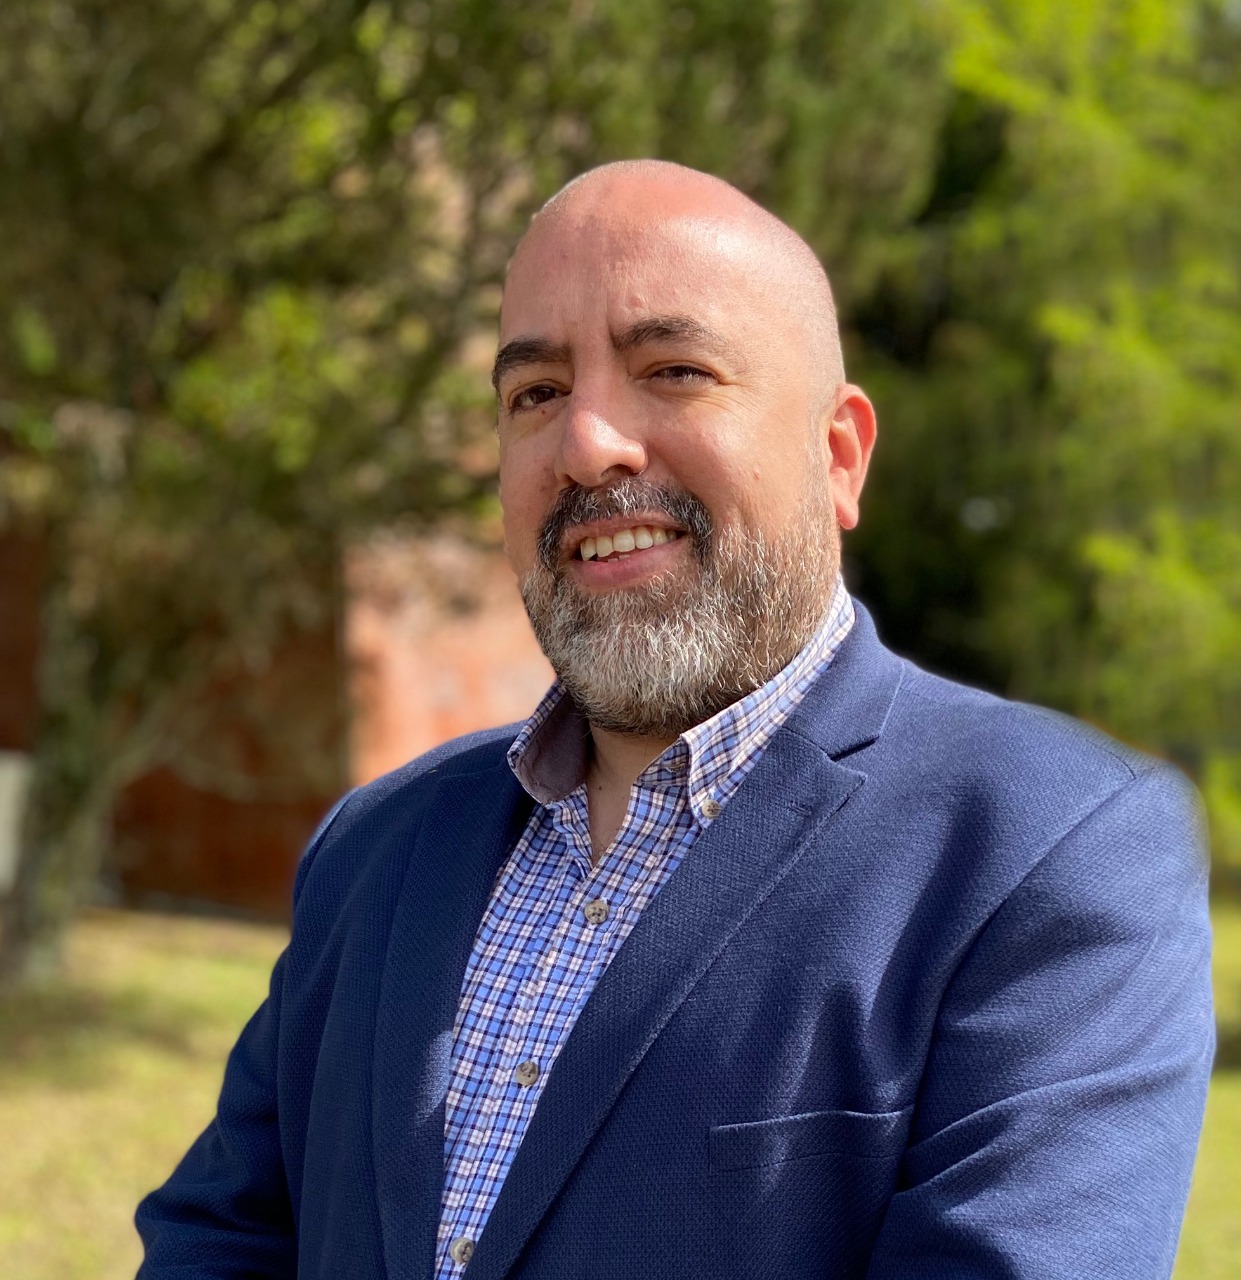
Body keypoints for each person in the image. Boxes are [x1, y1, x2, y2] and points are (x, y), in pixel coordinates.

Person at [135, 160, 1214, 1279]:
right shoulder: (375, 844)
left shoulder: (1052, 850)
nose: (586, 442)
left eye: (674, 370)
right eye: (535, 393)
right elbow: (220, 1240)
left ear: (837, 456)